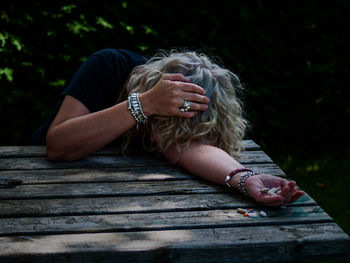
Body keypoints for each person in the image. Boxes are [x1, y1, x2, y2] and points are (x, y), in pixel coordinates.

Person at [30, 48, 305, 207]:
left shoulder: (172, 127)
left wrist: (244, 178)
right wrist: (145, 105)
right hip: (36, 185)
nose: (153, 136)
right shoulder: (109, 67)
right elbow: (58, 145)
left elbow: (190, 148)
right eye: (158, 124)